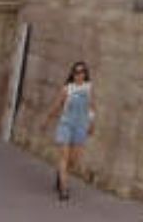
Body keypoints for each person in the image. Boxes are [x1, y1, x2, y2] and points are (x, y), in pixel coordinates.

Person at [50, 61, 94, 201]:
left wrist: (92, 124)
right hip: (66, 125)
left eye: (82, 72)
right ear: (72, 74)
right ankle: (64, 189)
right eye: (76, 72)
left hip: (80, 127)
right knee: (64, 156)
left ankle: (61, 174)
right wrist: (46, 120)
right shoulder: (67, 89)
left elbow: (91, 107)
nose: (79, 74)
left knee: (73, 160)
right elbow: (57, 105)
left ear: (85, 74)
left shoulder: (88, 88)